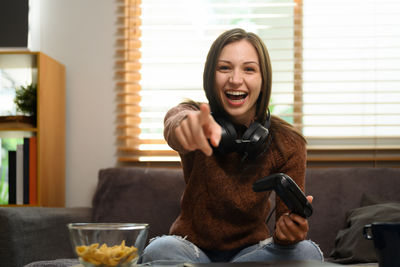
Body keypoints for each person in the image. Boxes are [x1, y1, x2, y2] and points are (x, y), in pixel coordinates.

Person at [140, 28, 323, 265]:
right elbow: (176, 123)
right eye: (224, 67)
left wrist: (290, 233)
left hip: (252, 254)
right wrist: (187, 127)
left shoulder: (288, 142)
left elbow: (286, 230)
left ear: (263, 78)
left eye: (249, 69)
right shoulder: (195, 117)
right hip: (191, 250)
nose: (235, 79)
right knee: (160, 249)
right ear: (210, 76)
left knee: (307, 252)